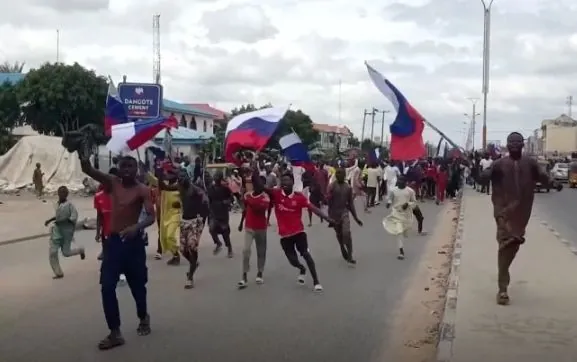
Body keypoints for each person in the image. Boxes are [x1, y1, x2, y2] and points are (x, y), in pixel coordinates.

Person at [80, 154, 155, 350]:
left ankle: (143, 317)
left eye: (131, 166)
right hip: (113, 244)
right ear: (119, 168)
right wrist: (82, 153)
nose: (127, 169)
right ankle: (115, 332)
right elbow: (89, 170)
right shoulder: (112, 183)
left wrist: (136, 227)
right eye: (124, 166)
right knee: (106, 286)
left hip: (133, 244)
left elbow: (151, 217)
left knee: (138, 286)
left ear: (137, 169)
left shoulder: (143, 190)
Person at [481, 132, 548, 305]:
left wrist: (552, 182)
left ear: (523, 144)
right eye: (512, 142)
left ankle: (503, 279)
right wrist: (481, 175)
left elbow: (543, 177)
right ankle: (502, 289)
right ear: (507, 145)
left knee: (513, 246)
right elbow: (483, 178)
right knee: (505, 245)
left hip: (521, 213)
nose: (515, 145)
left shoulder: (530, 163)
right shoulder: (498, 164)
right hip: (503, 211)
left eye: (518, 142)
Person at [270, 172, 334, 292]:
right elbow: (259, 186)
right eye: (282, 180)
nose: (284, 183)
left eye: (287, 180)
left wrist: (328, 219)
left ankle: (316, 282)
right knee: (292, 260)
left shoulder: (299, 198)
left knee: (306, 254)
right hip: (284, 236)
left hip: (298, 233)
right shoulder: (276, 194)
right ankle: (301, 268)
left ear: (293, 183)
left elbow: (314, 208)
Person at [162, 169, 209, 288]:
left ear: (188, 178)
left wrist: (203, 217)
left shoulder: (195, 190)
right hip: (184, 221)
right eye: (180, 179)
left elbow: (205, 200)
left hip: (195, 221)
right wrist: (157, 176)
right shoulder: (179, 186)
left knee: (192, 247)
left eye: (183, 179)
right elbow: (165, 187)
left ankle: (190, 277)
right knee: (183, 249)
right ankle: (194, 263)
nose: (181, 182)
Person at [237, 175, 270, 288]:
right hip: (249, 226)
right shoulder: (247, 195)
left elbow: (259, 209)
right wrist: (241, 223)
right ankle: (244, 275)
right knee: (246, 250)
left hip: (261, 227)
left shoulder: (265, 197)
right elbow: (244, 210)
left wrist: (247, 199)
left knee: (261, 251)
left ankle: (260, 272)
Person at [46, 185, 85, 278]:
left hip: (66, 233)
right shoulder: (56, 204)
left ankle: (80, 250)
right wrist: (50, 220)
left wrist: (63, 221)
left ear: (67, 194)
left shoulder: (70, 206)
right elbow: (58, 216)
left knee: (66, 253)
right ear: (58, 193)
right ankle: (58, 273)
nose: (62, 194)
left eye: (64, 193)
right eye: (60, 192)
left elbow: (73, 218)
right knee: (53, 252)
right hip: (57, 232)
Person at [327, 168, 363, 265]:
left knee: (346, 233)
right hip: (334, 214)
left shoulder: (348, 188)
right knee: (339, 234)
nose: (338, 175)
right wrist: (329, 217)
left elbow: (350, 204)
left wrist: (356, 218)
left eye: (340, 173)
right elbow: (328, 203)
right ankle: (342, 248)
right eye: (337, 173)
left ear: (344, 175)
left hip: (344, 212)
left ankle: (350, 255)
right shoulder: (331, 186)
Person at [383, 175, 417, 260]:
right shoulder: (393, 190)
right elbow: (390, 199)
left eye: (402, 180)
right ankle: (401, 251)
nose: (400, 182)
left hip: (406, 215)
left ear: (405, 182)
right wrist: (388, 203)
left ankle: (404, 234)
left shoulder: (410, 191)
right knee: (399, 231)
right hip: (396, 214)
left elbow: (414, 202)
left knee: (404, 231)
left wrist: (408, 204)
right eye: (399, 180)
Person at [208, 171, 234, 258]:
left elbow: (231, 198)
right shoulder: (210, 188)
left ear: (220, 179)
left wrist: (227, 201)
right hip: (213, 212)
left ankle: (229, 248)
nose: (216, 180)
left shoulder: (225, 188)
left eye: (217, 178)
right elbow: (208, 199)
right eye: (215, 178)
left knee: (225, 232)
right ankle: (218, 243)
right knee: (211, 229)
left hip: (223, 212)